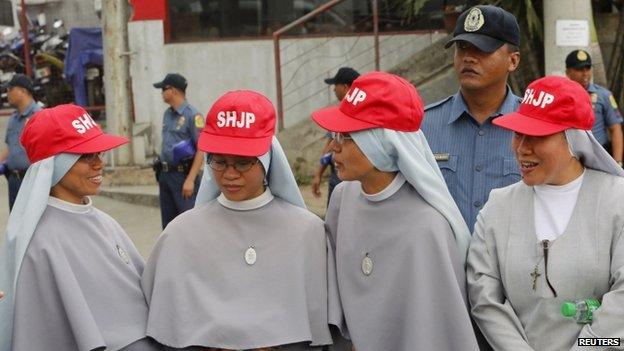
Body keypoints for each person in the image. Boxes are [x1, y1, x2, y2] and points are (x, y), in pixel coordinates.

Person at [141, 90, 333, 350]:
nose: (229, 174)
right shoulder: (180, 233)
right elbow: (166, 322)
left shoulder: (307, 232)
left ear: (266, 160)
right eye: (218, 161)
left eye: (243, 163)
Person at [311, 71, 479, 351]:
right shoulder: (343, 198)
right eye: (336, 135)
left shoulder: (428, 227)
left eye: (347, 137)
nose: (333, 148)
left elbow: (431, 330)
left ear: (382, 144)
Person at [467, 76, 624, 350]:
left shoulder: (616, 200)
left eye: (537, 136)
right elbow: (484, 297)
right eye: (518, 134)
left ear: (574, 139)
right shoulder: (498, 207)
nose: (522, 148)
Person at [0, 104, 159, 351]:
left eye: (99, 154)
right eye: (86, 156)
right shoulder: (40, 243)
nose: (99, 164)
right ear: (54, 166)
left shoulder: (106, 222)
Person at [421, 5, 522, 232]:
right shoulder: (424, 126)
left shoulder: (534, 128)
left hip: (509, 265)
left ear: (513, 61)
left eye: (481, 49)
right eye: (462, 47)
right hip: (444, 264)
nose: (468, 58)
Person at [153, 73, 204, 228]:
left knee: (188, 224)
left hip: (183, 177)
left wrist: (190, 179)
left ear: (173, 90)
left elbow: (201, 149)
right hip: (166, 175)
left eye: (164, 89)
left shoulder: (193, 115)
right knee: (168, 225)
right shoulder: (167, 114)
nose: (162, 93)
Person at [565, 49, 623, 165]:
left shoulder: (604, 95)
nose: (585, 73)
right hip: (570, 156)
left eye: (587, 69)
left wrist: (618, 162)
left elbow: (615, 128)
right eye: (579, 70)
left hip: (599, 154)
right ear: (568, 72)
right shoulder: (561, 96)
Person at [312, 67, 360, 204]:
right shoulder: (341, 113)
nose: (333, 90)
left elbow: (328, 147)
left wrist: (318, 175)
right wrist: (318, 174)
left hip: (346, 180)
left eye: (335, 85)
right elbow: (329, 147)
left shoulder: (359, 117)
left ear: (345, 87)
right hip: (339, 179)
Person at [0, 74, 42, 210]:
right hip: (13, 180)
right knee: (16, 223)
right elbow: (10, 147)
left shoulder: (39, 116)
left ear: (23, 91)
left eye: (10, 89)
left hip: (33, 180)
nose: (7, 93)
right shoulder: (14, 118)